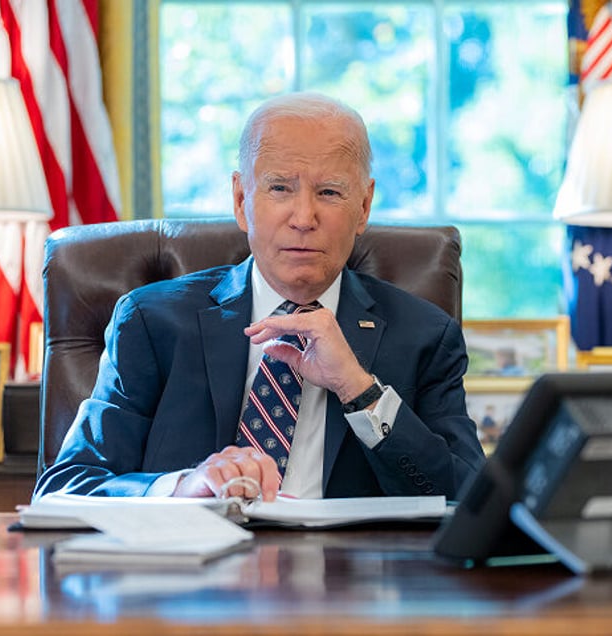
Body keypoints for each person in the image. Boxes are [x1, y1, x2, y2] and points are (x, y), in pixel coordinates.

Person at [34, 92, 484, 503]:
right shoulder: (152, 323)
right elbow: (66, 486)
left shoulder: (425, 336)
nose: (304, 218)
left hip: (347, 579)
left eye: (329, 192)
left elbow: (466, 501)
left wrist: (358, 389)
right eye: (279, 188)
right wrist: (185, 486)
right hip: (192, 580)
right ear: (240, 198)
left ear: (364, 206)